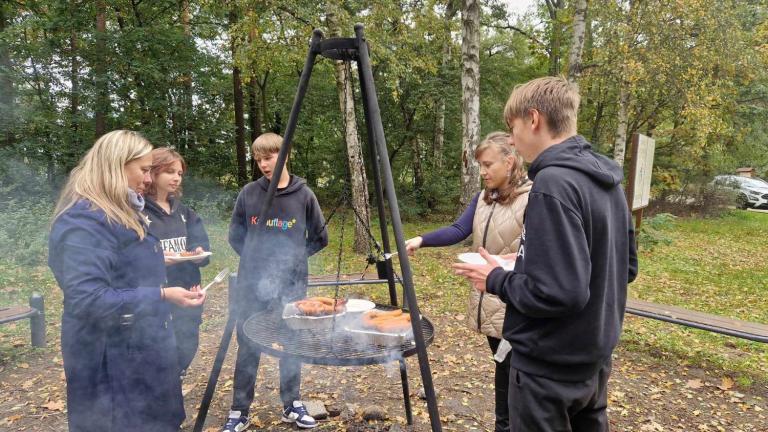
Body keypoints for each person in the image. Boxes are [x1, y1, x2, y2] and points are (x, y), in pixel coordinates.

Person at [453, 76, 638, 432]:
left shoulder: (552, 185)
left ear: (533, 119)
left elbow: (559, 292)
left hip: (548, 370)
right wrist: (523, 262)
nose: (511, 138)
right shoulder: (608, 182)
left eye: (513, 127)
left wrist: (495, 279)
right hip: (593, 363)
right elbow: (623, 267)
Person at [48, 130, 206, 432]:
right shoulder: (83, 222)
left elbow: (127, 267)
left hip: (145, 348)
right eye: (144, 169)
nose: (148, 179)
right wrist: (162, 295)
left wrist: (170, 291)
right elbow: (87, 298)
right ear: (116, 166)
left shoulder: (120, 212)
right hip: (111, 363)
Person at [405, 131, 531, 432]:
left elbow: (537, 251)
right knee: (504, 371)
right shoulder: (484, 199)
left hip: (517, 303)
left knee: (516, 380)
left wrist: (506, 267)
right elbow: (459, 229)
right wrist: (421, 239)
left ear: (509, 162)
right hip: (489, 299)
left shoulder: (532, 198)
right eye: (480, 166)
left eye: (488, 165)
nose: (483, 172)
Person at [223, 132, 329, 432]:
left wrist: (295, 260)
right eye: (258, 159)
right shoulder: (249, 194)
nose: (263, 164)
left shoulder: (303, 195)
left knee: (291, 341)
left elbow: (320, 237)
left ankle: (291, 404)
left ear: (285, 154)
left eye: (268, 157)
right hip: (252, 284)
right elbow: (235, 235)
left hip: (291, 286)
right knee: (248, 343)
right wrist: (256, 262)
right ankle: (240, 410)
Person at [144, 147, 211, 377]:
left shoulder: (184, 212)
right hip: (155, 293)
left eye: (179, 173)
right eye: (169, 171)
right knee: (156, 346)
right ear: (153, 173)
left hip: (187, 289)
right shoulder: (137, 212)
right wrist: (157, 261)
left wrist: (199, 253)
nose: (176, 178)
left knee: (187, 341)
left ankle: (177, 373)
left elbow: (201, 246)